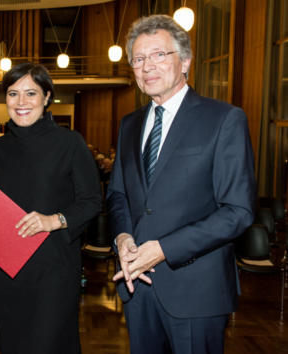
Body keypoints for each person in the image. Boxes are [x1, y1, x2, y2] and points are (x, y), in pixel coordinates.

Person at [106, 15, 255, 354]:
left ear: (185, 61)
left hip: (196, 290)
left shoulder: (224, 119)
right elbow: (118, 195)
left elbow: (238, 212)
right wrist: (123, 237)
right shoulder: (129, 124)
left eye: (159, 55)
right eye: (139, 59)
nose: (148, 66)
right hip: (138, 288)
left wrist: (163, 249)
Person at [0, 63, 101, 353]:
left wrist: (55, 220)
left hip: (53, 269)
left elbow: (92, 201)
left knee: (48, 345)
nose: (21, 102)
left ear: (47, 97)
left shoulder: (70, 143)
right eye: (13, 94)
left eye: (31, 93)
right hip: (6, 271)